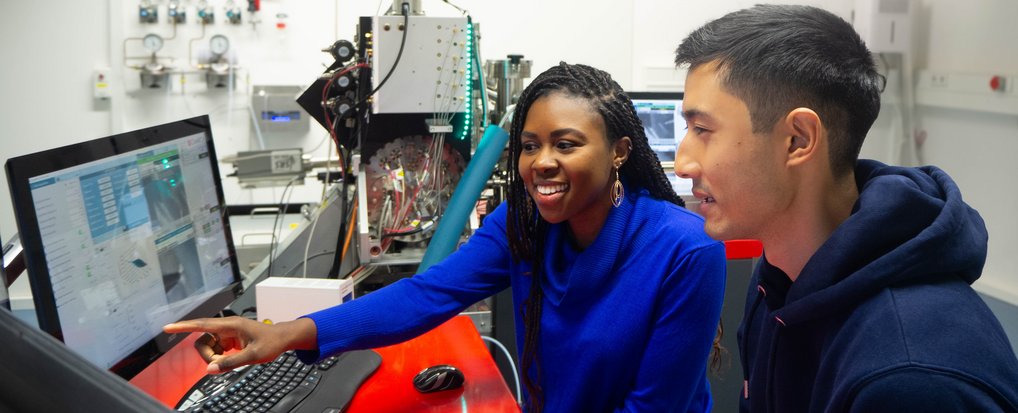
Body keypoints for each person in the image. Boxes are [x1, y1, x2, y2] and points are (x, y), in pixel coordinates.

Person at [165, 62, 727, 412]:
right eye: (530, 146)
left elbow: (653, 407)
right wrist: (285, 335)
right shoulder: (525, 224)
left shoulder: (686, 250)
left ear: (620, 151)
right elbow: (426, 294)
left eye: (567, 143)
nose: (543, 163)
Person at [672, 4, 1018, 412]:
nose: (683, 163)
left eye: (702, 130)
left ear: (798, 140)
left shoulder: (909, 378)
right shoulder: (779, 280)